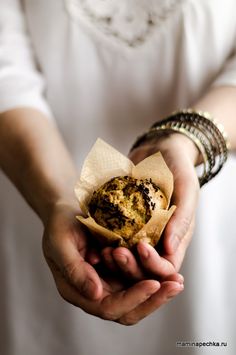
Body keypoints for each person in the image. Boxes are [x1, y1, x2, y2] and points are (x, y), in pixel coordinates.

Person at [0, 0, 236, 354]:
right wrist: (59, 201)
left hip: (202, 192)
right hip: (38, 184)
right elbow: (7, 74)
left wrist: (187, 140)